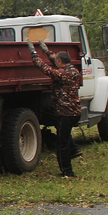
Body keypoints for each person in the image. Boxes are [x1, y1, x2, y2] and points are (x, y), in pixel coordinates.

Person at [29, 40, 82, 177]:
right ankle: (75, 149)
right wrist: (46, 51)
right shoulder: (74, 71)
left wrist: (34, 53)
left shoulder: (62, 75)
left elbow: (44, 68)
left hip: (65, 113)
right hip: (74, 111)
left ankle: (67, 172)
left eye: (57, 61)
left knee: (62, 143)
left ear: (60, 61)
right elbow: (55, 62)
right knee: (64, 133)